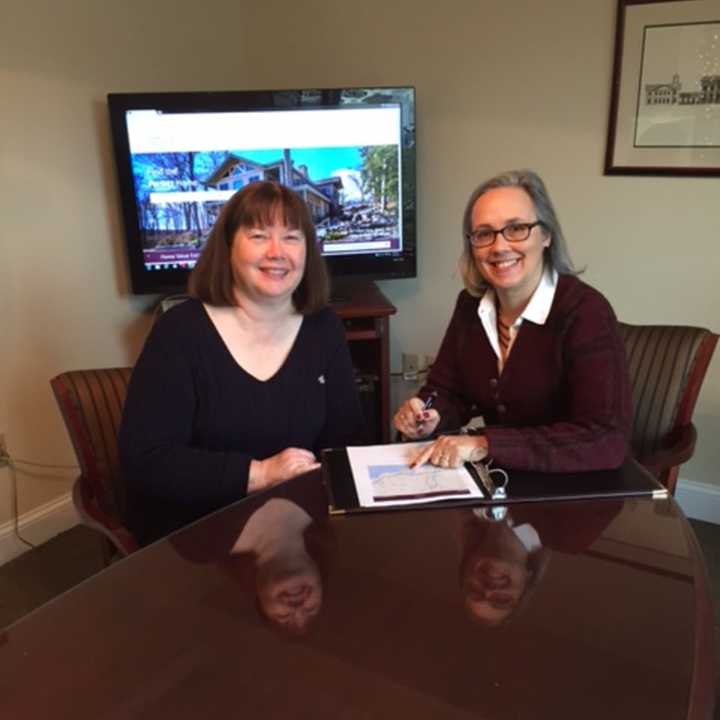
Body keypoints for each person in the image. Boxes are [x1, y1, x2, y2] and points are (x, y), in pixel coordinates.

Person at [119, 181, 365, 545]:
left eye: (292, 237)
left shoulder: (323, 327)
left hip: (301, 525)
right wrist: (259, 473)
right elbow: (146, 460)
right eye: (259, 235)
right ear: (228, 247)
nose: (277, 252)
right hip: (200, 542)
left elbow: (345, 440)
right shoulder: (181, 332)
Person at [395, 169, 631, 472]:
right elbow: (446, 389)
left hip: (578, 489)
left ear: (546, 235)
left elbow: (605, 438)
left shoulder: (586, 312)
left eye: (517, 228)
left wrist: (485, 444)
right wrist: (427, 415)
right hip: (506, 480)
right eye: (484, 234)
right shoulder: (470, 307)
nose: (499, 246)